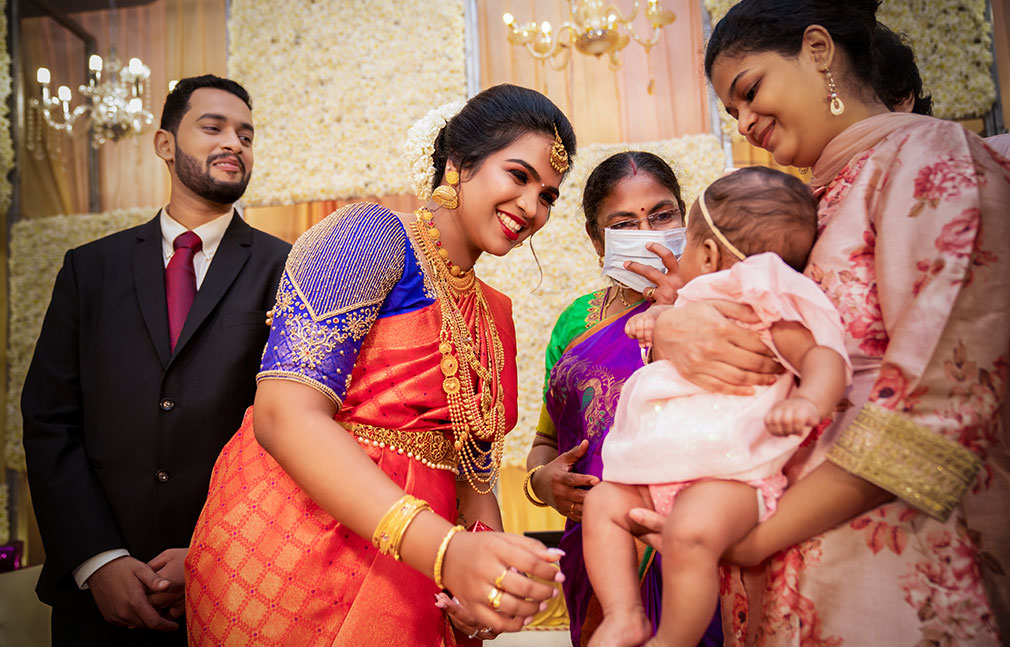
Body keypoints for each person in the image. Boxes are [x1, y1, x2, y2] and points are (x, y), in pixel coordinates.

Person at [631, 1, 1010, 644]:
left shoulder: (925, 156)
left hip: (882, 577)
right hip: (771, 578)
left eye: (750, 91)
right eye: (731, 112)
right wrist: (671, 325)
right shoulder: (805, 204)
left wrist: (756, 540)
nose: (745, 123)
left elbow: (943, 397)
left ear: (817, 50)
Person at [183, 84, 578, 647]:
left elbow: (474, 473)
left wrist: (484, 579)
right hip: (300, 552)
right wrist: (447, 552)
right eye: (518, 175)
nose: (532, 208)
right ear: (458, 163)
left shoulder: (495, 314)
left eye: (548, 196)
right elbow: (284, 416)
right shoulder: (371, 236)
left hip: (419, 572)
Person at [21, 75, 291, 646]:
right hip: (95, 603)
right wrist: (99, 559)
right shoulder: (90, 270)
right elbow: (49, 421)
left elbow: (299, 434)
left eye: (246, 135)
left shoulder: (290, 268)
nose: (234, 143)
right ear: (165, 144)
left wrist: (217, 551)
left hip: (240, 590)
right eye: (213, 127)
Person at [583, 167, 850, 647]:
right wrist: (656, 322)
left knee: (689, 533)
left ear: (706, 253)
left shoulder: (764, 304)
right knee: (603, 503)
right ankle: (624, 615)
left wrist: (811, 398)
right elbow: (668, 324)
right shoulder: (689, 299)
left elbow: (822, 356)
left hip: (729, 476)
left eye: (683, 240)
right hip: (661, 469)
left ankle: (672, 639)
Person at [525, 151, 729, 647]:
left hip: (698, 540)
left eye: (661, 215)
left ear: (685, 218)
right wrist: (542, 483)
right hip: (599, 550)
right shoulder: (575, 323)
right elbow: (545, 443)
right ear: (598, 241)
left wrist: (682, 308)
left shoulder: (722, 301)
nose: (648, 232)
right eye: (624, 224)